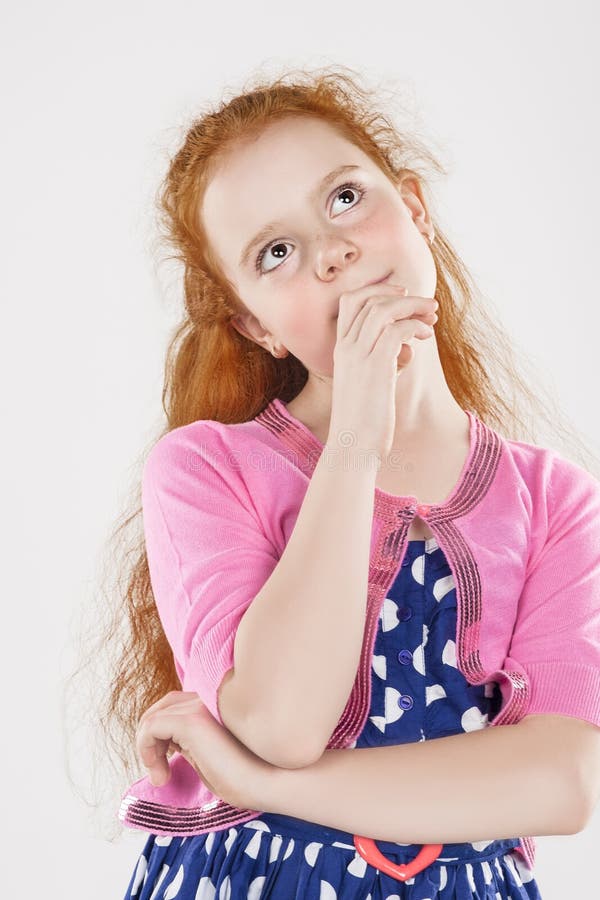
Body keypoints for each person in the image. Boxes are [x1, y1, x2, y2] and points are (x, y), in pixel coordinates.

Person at [106, 67, 600, 898]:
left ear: (414, 207)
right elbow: (282, 722)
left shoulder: (554, 499)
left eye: (344, 200)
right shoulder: (203, 469)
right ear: (256, 324)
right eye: (276, 253)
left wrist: (265, 789)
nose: (332, 253)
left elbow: (563, 782)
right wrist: (358, 440)